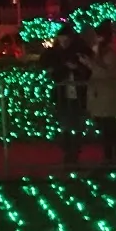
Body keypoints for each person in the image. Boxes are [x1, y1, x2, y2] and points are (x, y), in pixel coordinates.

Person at [40, 24, 90, 165]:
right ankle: (68, 151)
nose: (64, 42)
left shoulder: (79, 50)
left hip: (78, 93)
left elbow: (88, 68)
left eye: (66, 39)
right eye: (61, 40)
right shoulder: (55, 53)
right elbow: (48, 66)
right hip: (62, 93)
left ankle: (74, 152)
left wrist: (77, 68)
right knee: (64, 124)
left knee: (77, 123)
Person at [84, 21, 116, 163]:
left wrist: (90, 65)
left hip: (107, 93)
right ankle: (110, 156)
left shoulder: (111, 52)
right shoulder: (101, 50)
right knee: (106, 125)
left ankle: (114, 156)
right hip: (101, 93)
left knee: (110, 125)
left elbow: (106, 72)